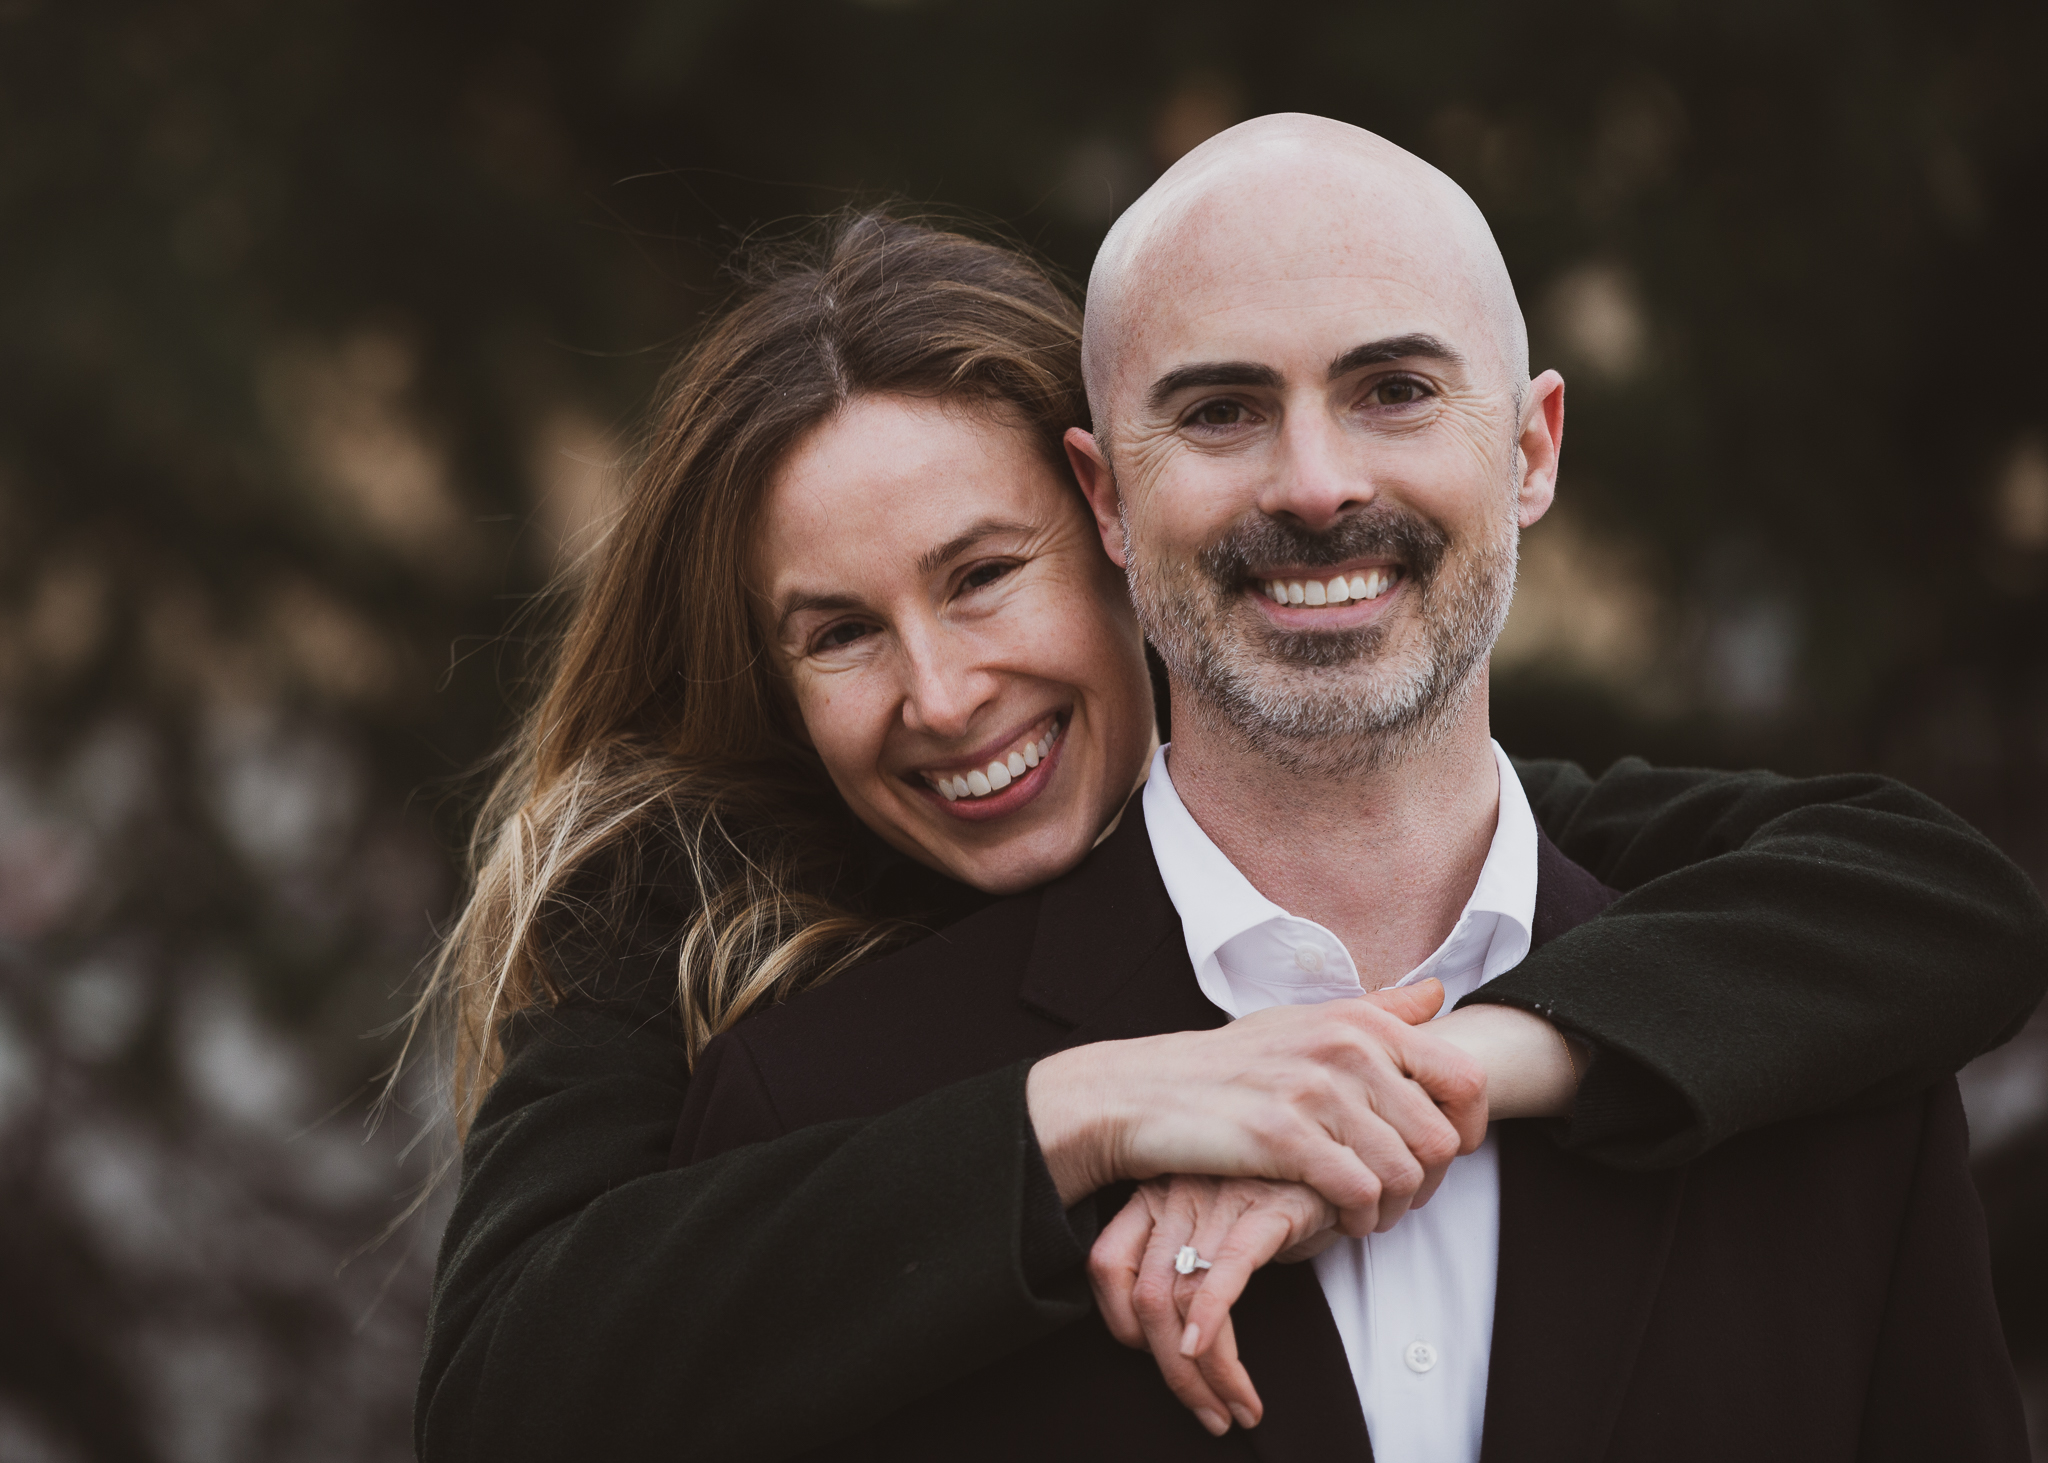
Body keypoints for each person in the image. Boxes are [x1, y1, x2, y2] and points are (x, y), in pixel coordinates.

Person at [418, 211, 2046, 1462]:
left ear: (1108, 534)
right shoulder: (701, 948)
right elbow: (508, 1390)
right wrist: (1088, 1109)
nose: (943, 694)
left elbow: (1932, 897)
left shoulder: (1599, 900)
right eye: (837, 632)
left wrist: (1440, 1071)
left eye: (985, 576)